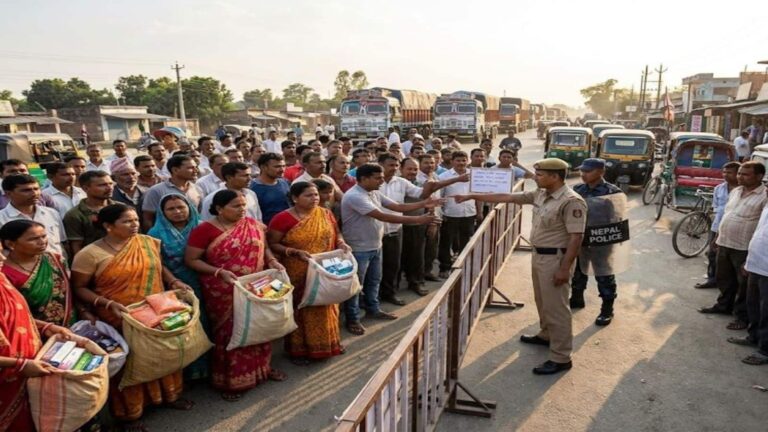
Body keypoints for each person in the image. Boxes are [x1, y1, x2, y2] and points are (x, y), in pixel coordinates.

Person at [453, 158, 587, 375]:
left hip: (556, 259)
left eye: (541, 174)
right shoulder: (541, 194)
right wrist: (472, 195)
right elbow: (506, 196)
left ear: (555, 176)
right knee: (542, 300)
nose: (537, 177)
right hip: (540, 256)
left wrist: (564, 268)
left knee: (557, 307)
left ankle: (561, 357)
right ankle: (546, 335)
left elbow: (576, 238)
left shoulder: (571, 201)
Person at [71, 203, 194, 429]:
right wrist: (106, 303)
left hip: (155, 311)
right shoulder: (89, 254)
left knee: (162, 353)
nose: (135, 224)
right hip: (119, 316)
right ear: (108, 226)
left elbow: (159, 267)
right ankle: (130, 413)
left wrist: (174, 281)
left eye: (136, 219)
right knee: (131, 363)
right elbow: (79, 288)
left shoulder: (147, 242)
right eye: (127, 221)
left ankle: (169, 396)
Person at [185, 190, 286, 400]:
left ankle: (262, 369)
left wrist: (273, 261)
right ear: (219, 209)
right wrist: (218, 272)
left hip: (255, 285)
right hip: (223, 288)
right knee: (231, 331)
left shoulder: (253, 224)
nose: (242, 210)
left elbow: (264, 248)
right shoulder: (204, 230)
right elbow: (192, 260)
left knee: (259, 325)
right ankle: (230, 379)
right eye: (236, 206)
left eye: (243, 205)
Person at [341, 164, 442, 335]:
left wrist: (425, 202)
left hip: (375, 245)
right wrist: (420, 219)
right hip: (359, 248)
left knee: (374, 281)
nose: (382, 180)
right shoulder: (355, 196)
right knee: (356, 286)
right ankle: (353, 318)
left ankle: (373, 309)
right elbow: (383, 215)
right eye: (378, 178)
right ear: (364, 179)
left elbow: (397, 206)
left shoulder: (373, 192)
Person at [267, 182, 350, 364]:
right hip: (297, 270)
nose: (315, 198)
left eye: (316, 195)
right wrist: (294, 252)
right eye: (308, 195)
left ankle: (329, 343)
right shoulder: (282, 219)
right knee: (301, 308)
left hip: (324, 269)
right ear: (295, 198)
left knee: (328, 304)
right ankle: (299, 350)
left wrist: (342, 243)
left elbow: (337, 234)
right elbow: (272, 244)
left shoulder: (325, 213)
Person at [0, 251, 78, 431]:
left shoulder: (2, 280)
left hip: (29, 368)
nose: (4, 258)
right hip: (8, 380)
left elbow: (16, 316)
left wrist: (46, 327)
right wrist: (20, 365)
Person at [378, 154, 466, 303]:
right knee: (388, 263)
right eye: (409, 168)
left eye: (415, 169)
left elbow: (423, 195)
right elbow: (398, 207)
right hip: (381, 228)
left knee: (413, 257)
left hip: (406, 225)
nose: (412, 172)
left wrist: (442, 185)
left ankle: (408, 285)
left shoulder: (404, 183)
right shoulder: (374, 183)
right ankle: (385, 292)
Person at [147, 194, 210, 380]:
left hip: (205, 281)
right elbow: (158, 263)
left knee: (207, 322)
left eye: (181, 207)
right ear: (162, 212)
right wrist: (173, 280)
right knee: (185, 325)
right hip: (176, 286)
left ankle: (209, 367)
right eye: (171, 209)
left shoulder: (203, 227)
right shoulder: (155, 234)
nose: (177, 212)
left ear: (190, 207)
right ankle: (191, 371)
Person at [699, 162, 767, 331]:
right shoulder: (736, 191)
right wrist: (717, 237)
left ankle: (742, 317)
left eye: (745, 174)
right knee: (724, 278)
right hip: (725, 242)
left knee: (744, 286)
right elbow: (727, 215)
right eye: (740, 173)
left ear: (759, 177)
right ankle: (723, 306)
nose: (740, 176)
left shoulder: (764, 196)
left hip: (744, 248)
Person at [568, 159, 623, 326]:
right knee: (578, 271)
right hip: (580, 238)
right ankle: (577, 298)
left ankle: (607, 309)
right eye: (582, 171)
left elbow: (619, 218)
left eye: (588, 171)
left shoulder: (612, 192)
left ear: (600, 172)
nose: (583, 174)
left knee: (604, 274)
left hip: (601, 241)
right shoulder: (578, 189)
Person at [0, 220, 79, 326]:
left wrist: (83, 310)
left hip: (70, 327)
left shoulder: (55, 259)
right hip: (28, 330)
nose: (42, 242)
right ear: (10, 244)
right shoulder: (4, 272)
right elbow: (10, 311)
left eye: (44, 236)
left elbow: (71, 291)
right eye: (33, 239)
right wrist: (47, 328)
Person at [728, 195, 768, 365]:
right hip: (756, 263)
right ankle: (754, 336)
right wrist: (749, 261)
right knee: (753, 304)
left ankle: (765, 350)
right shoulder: (766, 207)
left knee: (767, 311)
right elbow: (760, 235)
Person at [694, 162, 740, 289]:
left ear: (738, 174)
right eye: (724, 172)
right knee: (712, 254)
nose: (725, 175)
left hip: (734, 229)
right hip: (717, 226)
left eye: (729, 172)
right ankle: (712, 279)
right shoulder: (719, 188)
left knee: (730, 258)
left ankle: (729, 284)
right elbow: (716, 209)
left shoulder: (742, 191)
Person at [437, 151, 481, 278]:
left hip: (469, 214)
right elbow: (440, 196)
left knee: (466, 242)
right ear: (452, 162)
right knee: (446, 242)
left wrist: (479, 212)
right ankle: (444, 267)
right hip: (450, 214)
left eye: (463, 160)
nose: (461, 163)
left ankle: (464, 266)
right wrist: (441, 213)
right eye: (458, 160)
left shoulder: (474, 174)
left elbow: (478, 195)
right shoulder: (444, 176)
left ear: (467, 161)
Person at [0, 174, 67, 257]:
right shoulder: (2, 218)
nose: (34, 193)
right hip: (21, 268)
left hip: (57, 266)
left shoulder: (51, 213)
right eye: (26, 190)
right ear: (8, 193)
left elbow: (62, 243)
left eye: (36, 189)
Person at [142, 155, 203, 230]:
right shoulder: (156, 191)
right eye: (190, 168)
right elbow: (148, 219)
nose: (196, 170)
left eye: (196, 167)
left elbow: (198, 214)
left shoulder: (197, 189)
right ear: (175, 170)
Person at [63, 170, 115, 256]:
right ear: (86, 188)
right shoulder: (75, 215)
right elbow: (76, 247)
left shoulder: (122, 208)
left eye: (110, 184)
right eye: (102, 185)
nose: (109, 188)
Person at [250, 153, 291, 225]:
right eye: (277, 166)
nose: (282, 170)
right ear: (263, 167)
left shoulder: (285, 182)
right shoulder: (252, 188)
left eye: (284, 166)